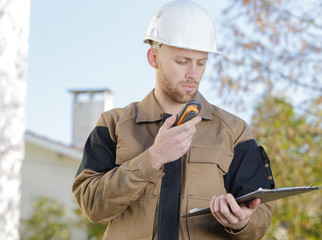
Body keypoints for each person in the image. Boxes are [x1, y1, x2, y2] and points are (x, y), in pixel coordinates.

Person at [72, 0, 275, 239]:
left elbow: (260, 216)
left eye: (201, 63)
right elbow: (92, 206)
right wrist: (153, 158)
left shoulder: (233, 131)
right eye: (182, 61)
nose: (193, 73)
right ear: (153, 57)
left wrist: (242, 222)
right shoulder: (113, 125)